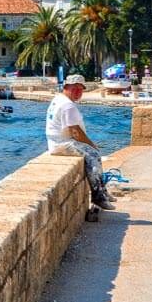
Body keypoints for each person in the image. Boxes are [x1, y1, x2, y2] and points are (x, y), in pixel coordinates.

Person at [45, 75, 115, 210]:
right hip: (62, 144)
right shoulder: (68, 106)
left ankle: (103, 192)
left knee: (93, 154)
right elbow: (75, 132)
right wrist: (91, 145)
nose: (78, 92)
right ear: (66, 87)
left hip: (56, 142)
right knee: (94, 155)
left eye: (80, 89)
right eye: (74, 88)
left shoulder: (58, 99)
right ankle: (98, 196)